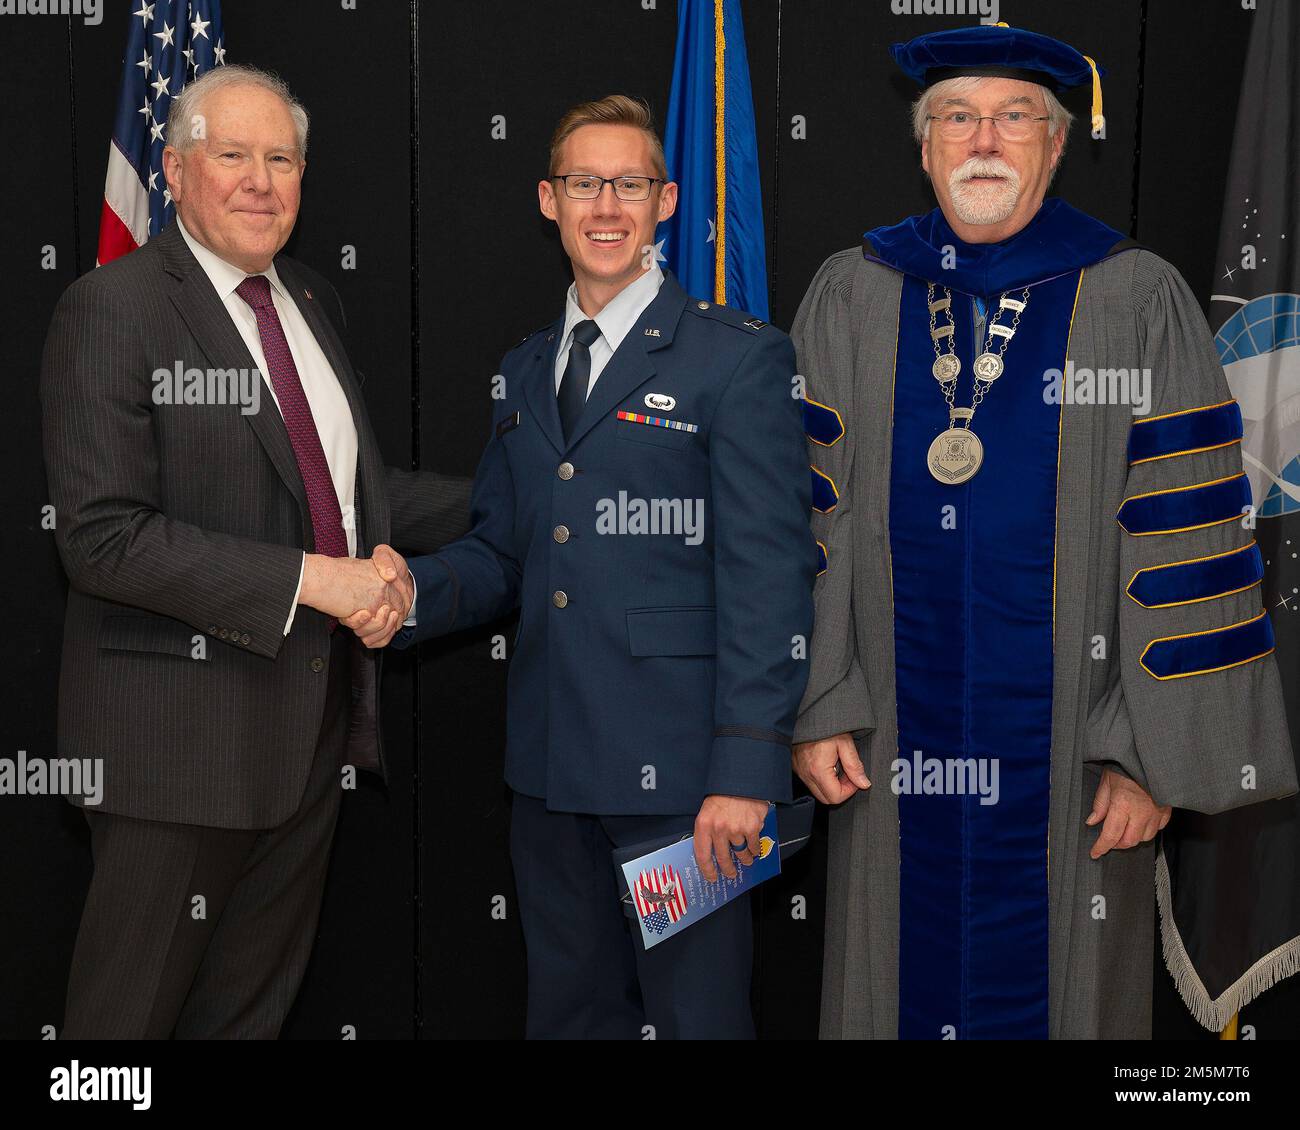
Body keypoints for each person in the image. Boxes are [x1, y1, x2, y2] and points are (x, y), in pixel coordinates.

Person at [790, 24, 1297, 1039]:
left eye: (1015, 117)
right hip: (888, 744)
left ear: (1057, 144)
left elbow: (1191, 539)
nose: (985, 138)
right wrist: (817, 701)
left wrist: (1148, 754)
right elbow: (797, 517)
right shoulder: (852, 293)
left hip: (1078, 754)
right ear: (924, 144)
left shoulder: (1135, 297)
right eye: (958, 117)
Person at [40, 64, 469, 1038]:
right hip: (170, 758)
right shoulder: (112, 309)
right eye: (233, 154)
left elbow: (340, 494)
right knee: (120, 1033)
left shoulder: (310, 301)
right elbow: (103, 537)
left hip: (306, 745)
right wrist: (323, 579)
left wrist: (505, 512)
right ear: (178, 168)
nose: (260, 180)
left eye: (282, 158)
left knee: (246, 1022)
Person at [388, 95, 815, 1039]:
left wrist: (745, 770)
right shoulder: (525, 368)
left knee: (695, 1020)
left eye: (630, 184)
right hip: (550, 775)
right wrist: (406, 593)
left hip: (686, 792)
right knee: (569, 1018)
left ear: (666, 203)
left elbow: (769, 576)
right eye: (586, 184)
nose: (607, 206)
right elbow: (505, 551)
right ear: (550, 200)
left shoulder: (737, 361)